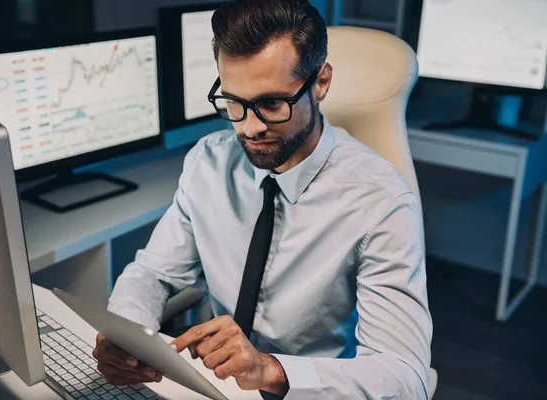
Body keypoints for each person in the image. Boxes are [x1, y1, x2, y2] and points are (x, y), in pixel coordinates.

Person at [93, 0, 433, 398]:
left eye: (272, 104)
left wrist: (271, 371)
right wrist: (127, 334)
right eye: (234, 102)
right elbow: (153, 273)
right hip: (215, 386)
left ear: (321, 82)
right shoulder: (208, 163)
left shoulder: (382, 202)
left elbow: (406, 378)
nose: (251, 128)